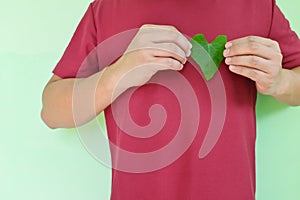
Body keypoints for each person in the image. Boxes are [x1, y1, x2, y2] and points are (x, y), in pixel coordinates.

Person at [41, 0, 300, 199]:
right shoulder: (108, 7)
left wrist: (281, 82)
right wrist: (118, 74)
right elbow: (51, 110)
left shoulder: (258, 5)